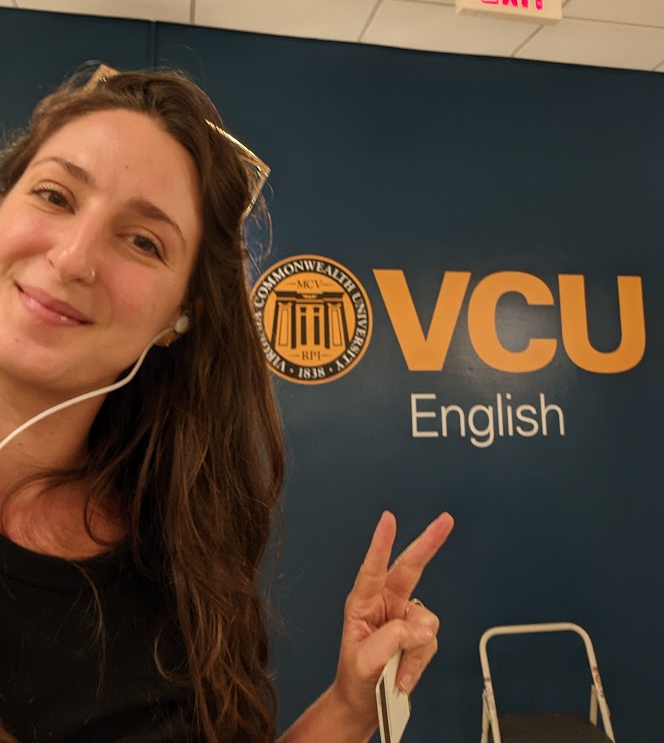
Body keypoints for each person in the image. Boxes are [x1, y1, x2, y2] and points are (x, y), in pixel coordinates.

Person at [0, 64, 454, 741]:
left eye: (144, 241)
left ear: (179, 317)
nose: (73, 257)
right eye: (54, 195)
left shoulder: (178, 546)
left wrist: (349, 704)